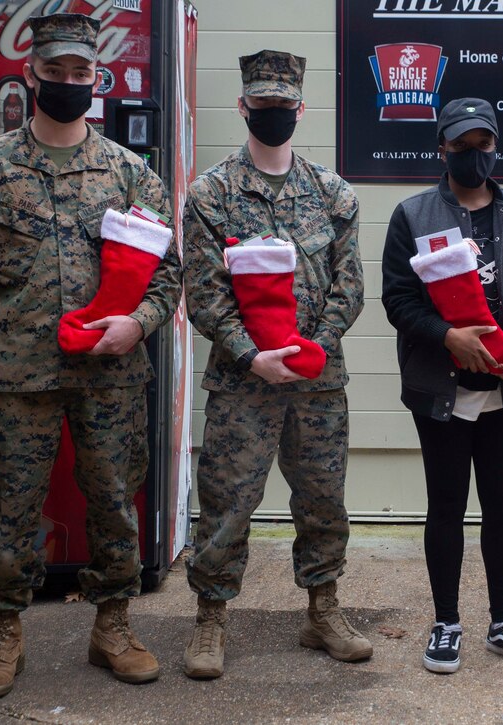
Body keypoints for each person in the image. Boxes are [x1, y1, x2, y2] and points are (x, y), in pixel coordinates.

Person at [0, 14, 181, 699]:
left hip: (111, 370)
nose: (69, 83)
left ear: (96, 81)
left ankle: (114, 625)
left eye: (81, 74)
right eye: (56, 71)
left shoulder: (131, 172)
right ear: (30, 75)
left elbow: (167, 272)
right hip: (17, 370)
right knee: (11, 507)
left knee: (113, 504)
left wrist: (139, 322)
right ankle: (3, 631)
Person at [181, 49, 370, 679]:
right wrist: (250, 355)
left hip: (318, 382)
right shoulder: (211, 193)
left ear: (300, 109)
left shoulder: (332, 192)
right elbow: (203, 292)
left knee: (324, 498)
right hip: (243, 383)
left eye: (283, 106)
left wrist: (309, 351)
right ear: (243, 107)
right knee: (227, 501)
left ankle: (323, 610)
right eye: (261, 105)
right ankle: (210, 618)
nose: (273, 114)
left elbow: (350, 286)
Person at [382, 98, 503, 674]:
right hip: (441, 387)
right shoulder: (412, 215)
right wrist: (446, 335)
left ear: (496, 146)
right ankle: (446, 623)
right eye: (461, 145)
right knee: (446, 506)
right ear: (442, 147)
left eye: (482, 144)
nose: (473, 155)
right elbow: (398, 300)